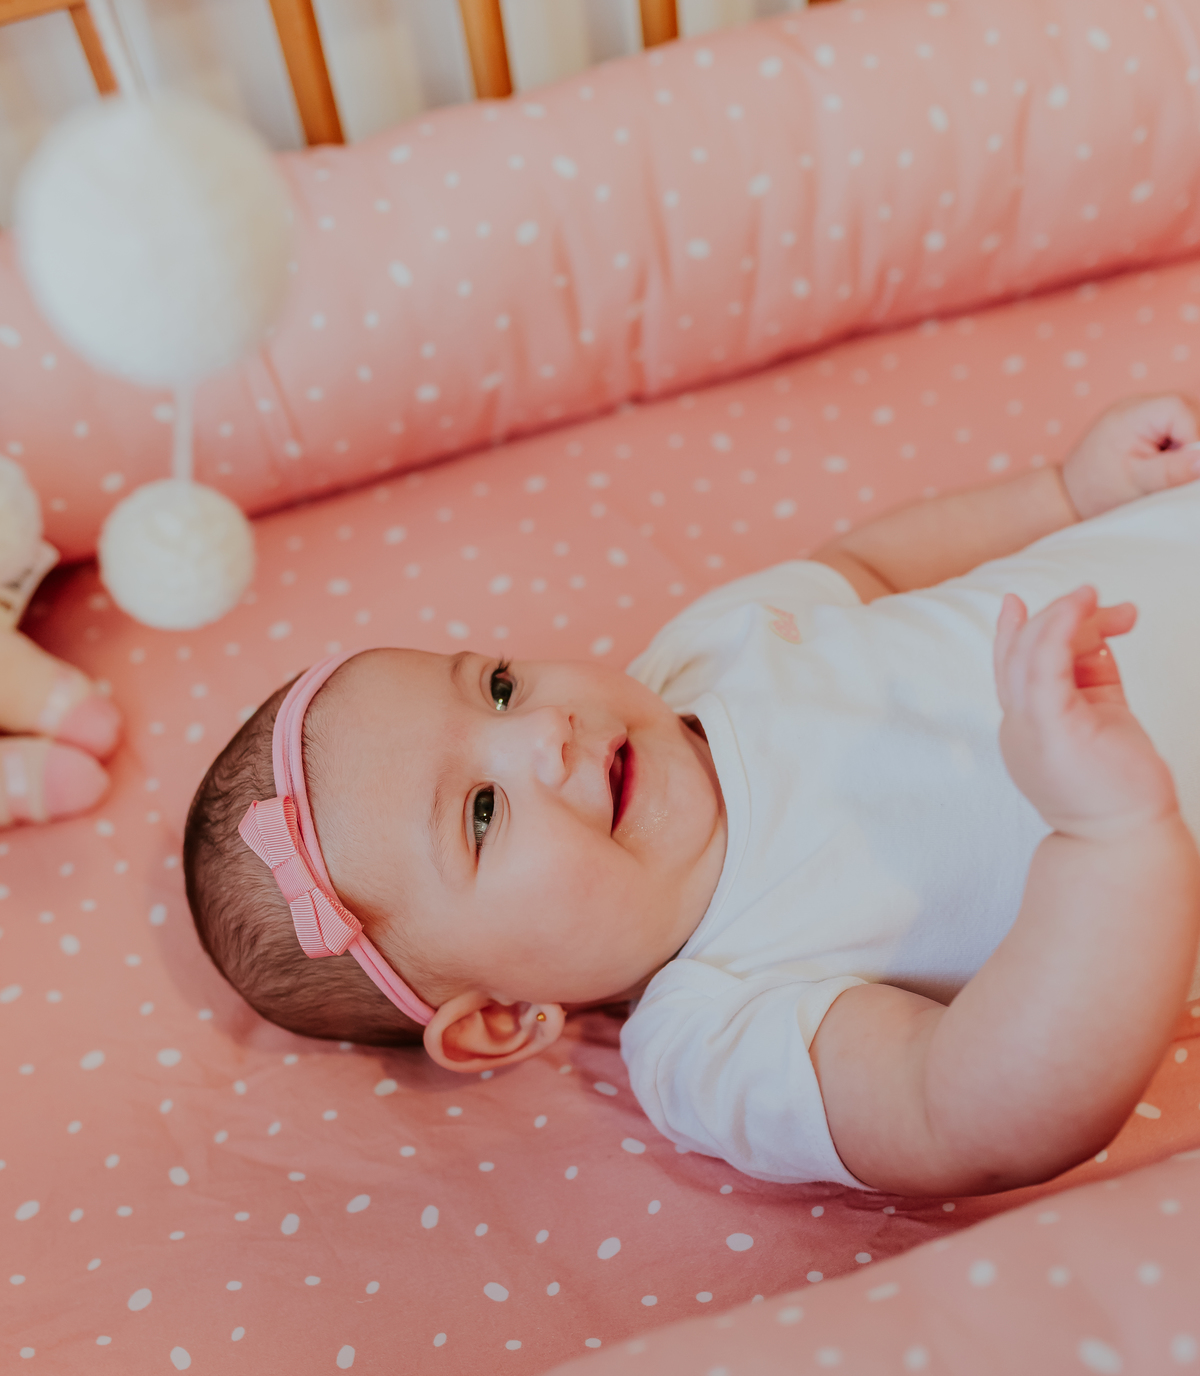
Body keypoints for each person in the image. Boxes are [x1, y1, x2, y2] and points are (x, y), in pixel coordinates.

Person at [184, 395, 1200, 1200]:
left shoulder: (692, 657)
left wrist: (1064, 492)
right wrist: (1110, 838)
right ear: (501, 1017)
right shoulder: (714, 1031)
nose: (542, 730)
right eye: (481, 812)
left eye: (496, 684)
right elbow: (969, 1112)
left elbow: (869, 566)